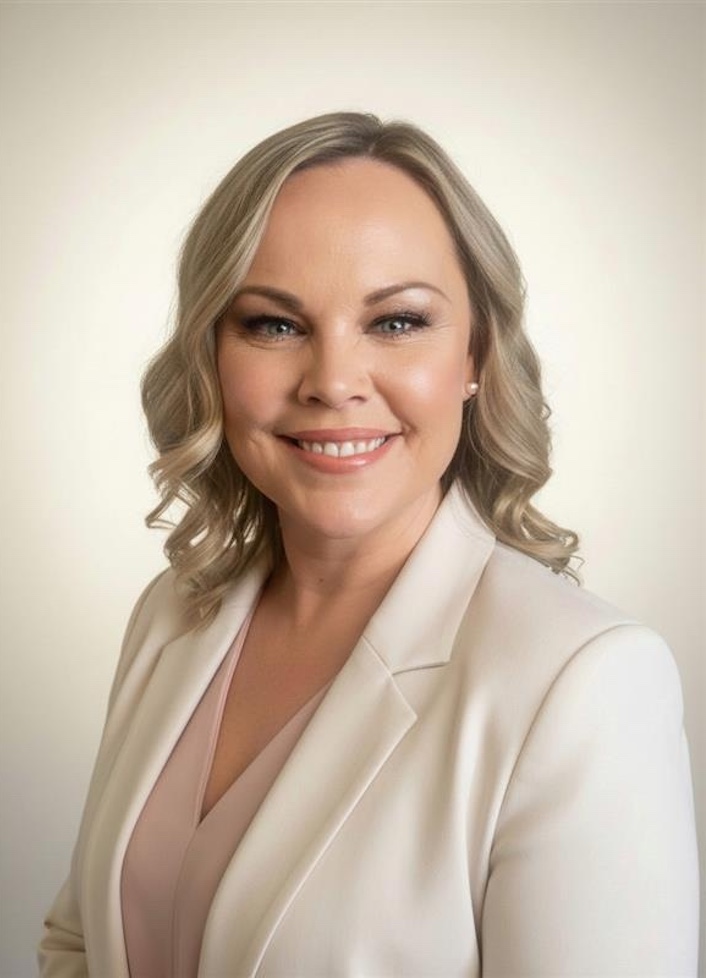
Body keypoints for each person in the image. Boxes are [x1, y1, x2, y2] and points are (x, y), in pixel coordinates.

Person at [39, 111, 699, 977]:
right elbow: (79, 944)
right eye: (274, 325)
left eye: (396, 323)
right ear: (210, 353)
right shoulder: (175, 614)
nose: (334, 383)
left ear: (477, 356)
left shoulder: (585, 681)